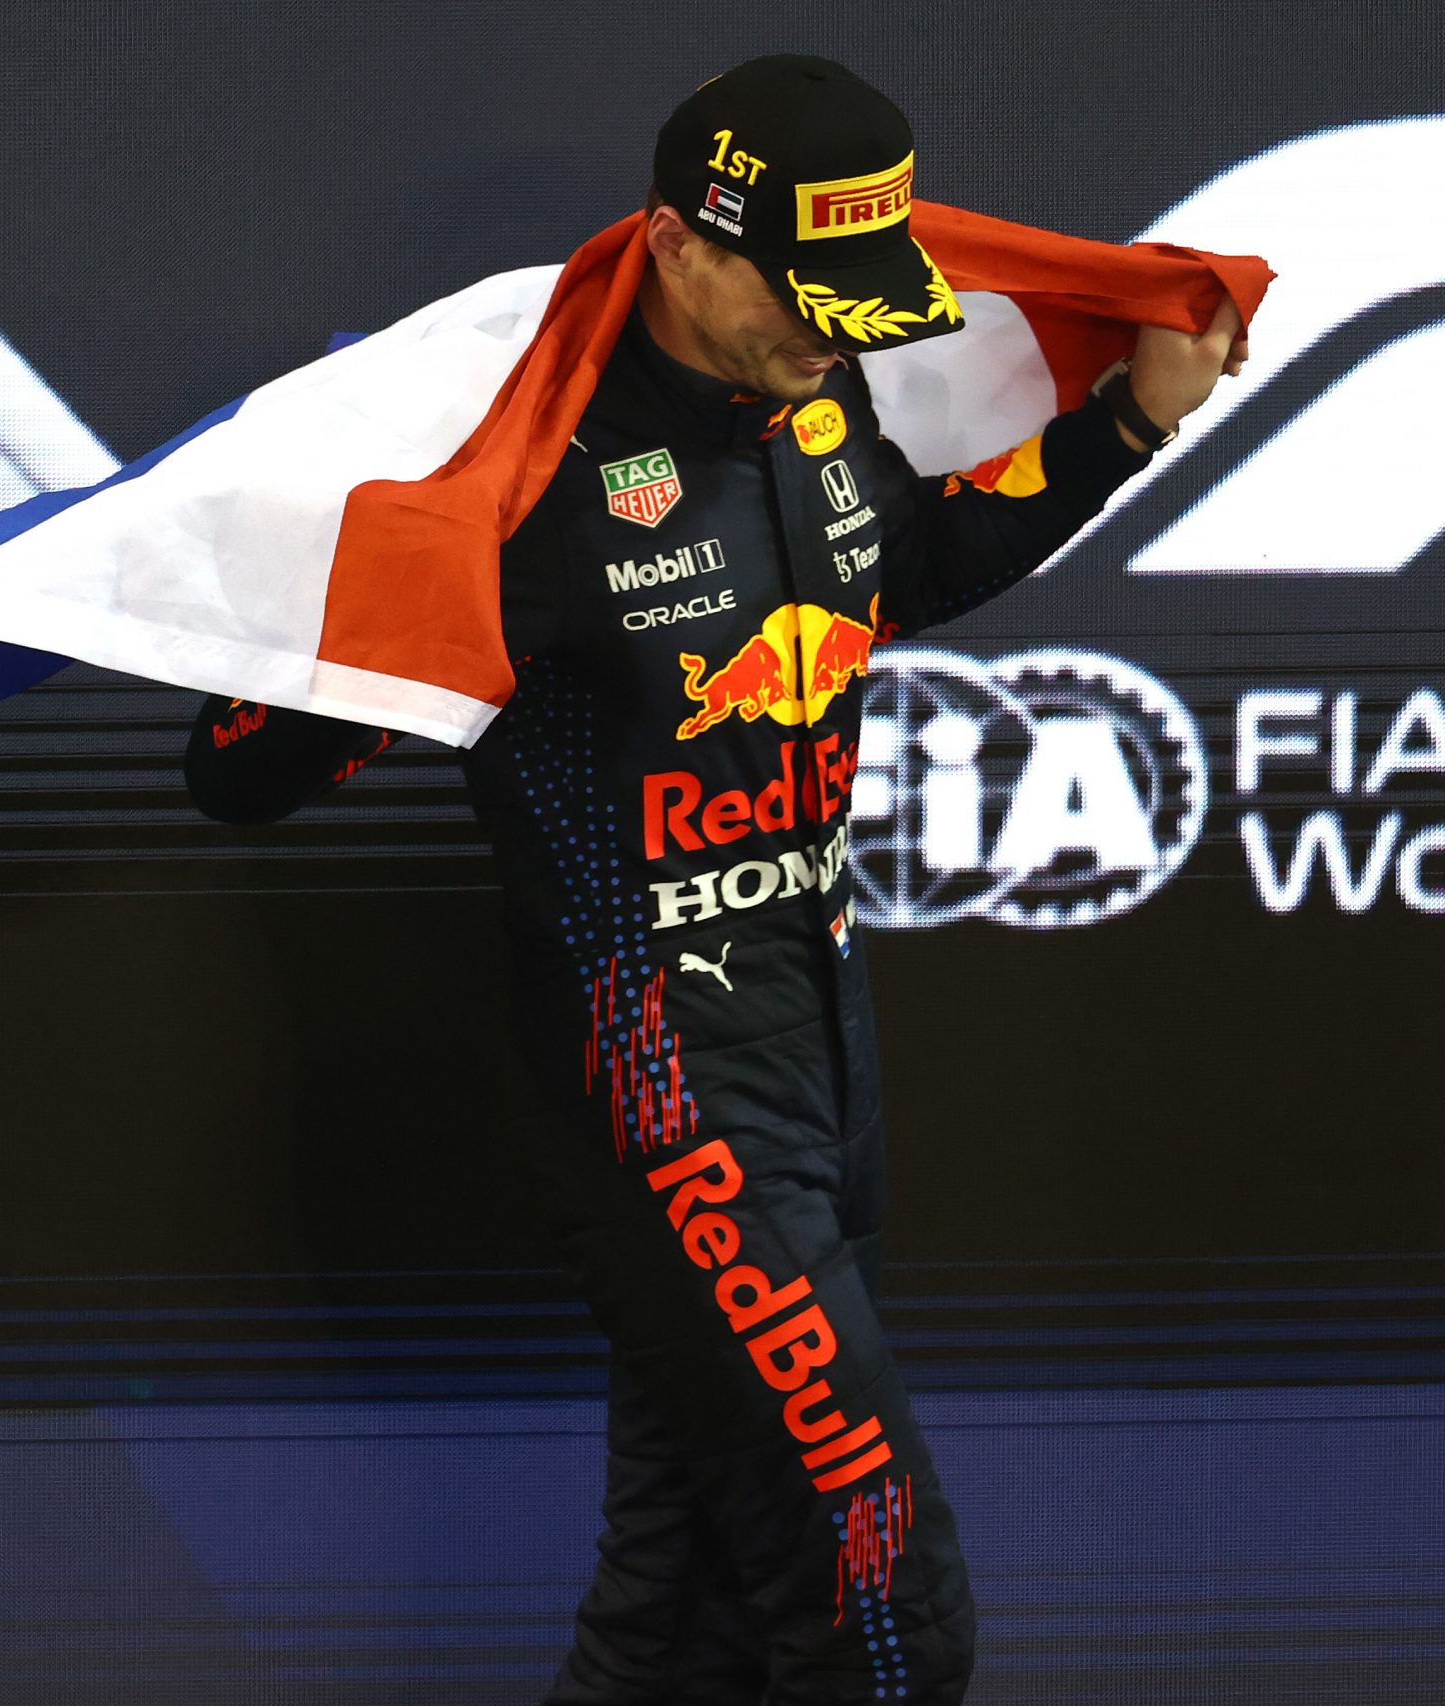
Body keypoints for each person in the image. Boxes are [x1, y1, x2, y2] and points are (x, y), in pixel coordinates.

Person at [183, 55, 1244, 1706]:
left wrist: (1125, 424)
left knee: (682, 1598)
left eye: (860, 292)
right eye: (804, 290)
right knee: (884, 1605)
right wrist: (395, 630)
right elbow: (236, 771)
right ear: (680, 244)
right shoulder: (517, 461)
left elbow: (903, 570)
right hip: (654, 1070)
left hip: (822, 1036)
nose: (837, 328)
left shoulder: (814, 393)